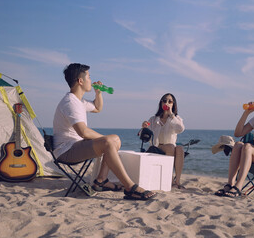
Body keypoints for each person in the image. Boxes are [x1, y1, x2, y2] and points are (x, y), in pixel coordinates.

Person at [53, 63, 156, 200]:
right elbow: (83, 132)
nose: (91, 80)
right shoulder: (70, 103)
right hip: (66, 151)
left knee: (115, 139)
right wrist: (106, 140)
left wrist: (98, 93)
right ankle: (130, 187)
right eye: (89, 77)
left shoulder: (79, 101)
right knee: (109, 141)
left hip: (75, 146)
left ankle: (101, 180)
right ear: (80, 81)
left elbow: (97, 108)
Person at [141, 93, 186, 189]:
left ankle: (177, 181)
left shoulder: (176, 118)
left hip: (171, 147)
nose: (167, 103)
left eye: (170, 101)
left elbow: (180, 129)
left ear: (173, 104)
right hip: (156, 147)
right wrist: (144, 127)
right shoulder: (153, 119)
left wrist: (171, 115)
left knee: (180, 149)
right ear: (161, 103)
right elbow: (145, 134)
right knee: (170, 147)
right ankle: (169, 180)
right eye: (164, 100)